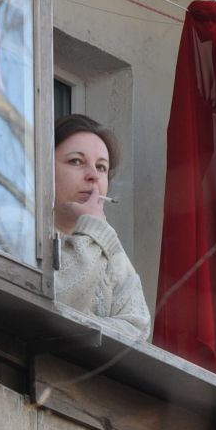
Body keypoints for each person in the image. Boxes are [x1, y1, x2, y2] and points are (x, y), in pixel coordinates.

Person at [53, 114, 151, 342]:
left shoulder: (104, 239)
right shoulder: (18, 225)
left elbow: (138, 328)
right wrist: (92, 228)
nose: (93, 176)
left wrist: (93, 229)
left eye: (101, 167)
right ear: (44, 167)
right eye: (75, 161)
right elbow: (55, 299)